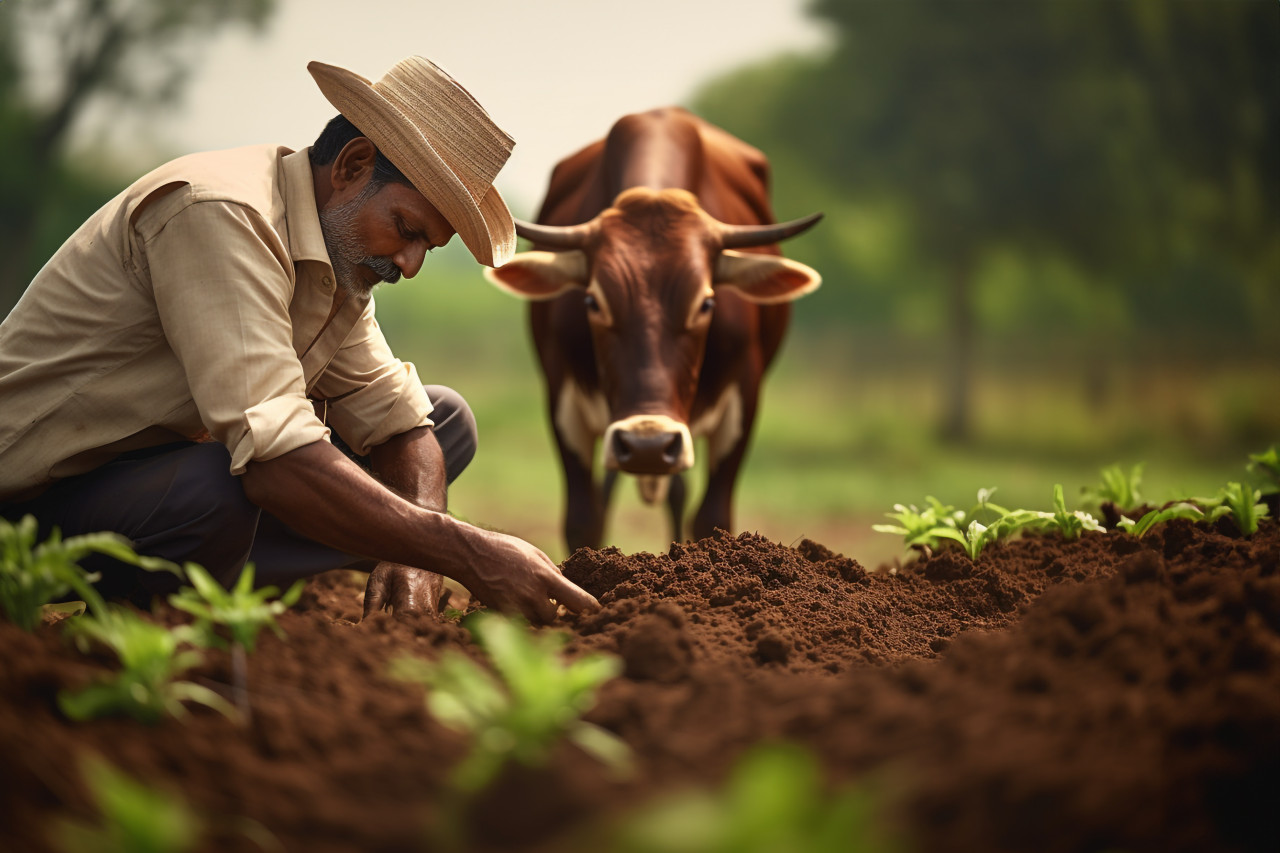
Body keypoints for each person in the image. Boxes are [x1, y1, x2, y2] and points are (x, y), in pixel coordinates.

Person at [0, 56, 597, 623]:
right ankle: (158, 630)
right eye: (407, 230)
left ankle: (221, 581)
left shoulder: (334, 258)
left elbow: (397, 418)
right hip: (27, 508)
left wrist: (417, 544)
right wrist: (461, 551)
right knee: (229, 482)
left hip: (144, 488)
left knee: (444, 424)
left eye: (425, 248)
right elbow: (272, 454)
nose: (410, 264)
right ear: (353, 165)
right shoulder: (221, 212)